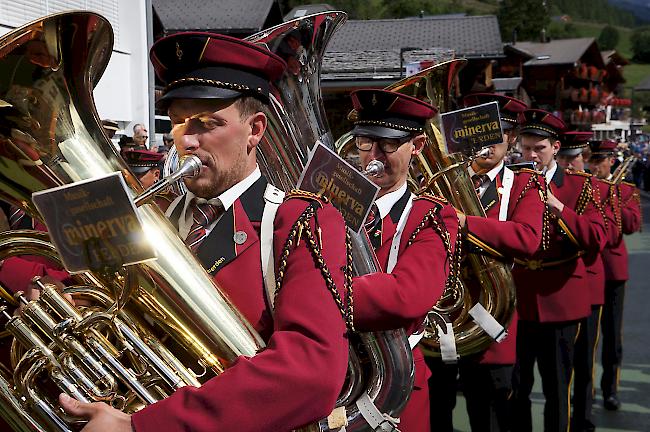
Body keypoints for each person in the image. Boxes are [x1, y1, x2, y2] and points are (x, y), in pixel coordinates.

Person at [59, 32, 352, 432]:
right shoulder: (153, 213)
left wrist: (143, 427)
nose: (188, 140)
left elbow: (312, 371)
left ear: (255, 130)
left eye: (207, 124)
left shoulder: (298, 221)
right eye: (179, 122)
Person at [427, 93, 546, 432]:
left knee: (490, 411)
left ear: (510, 138)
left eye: (494, 133)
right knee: (436, 408)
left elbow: (527, 238)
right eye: (475, 133)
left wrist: (465, 222)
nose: (483, 143)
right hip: (441, 313)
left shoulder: (525, 183)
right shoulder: (440, 181)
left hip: (491, 314)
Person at [345, 89, 460, 432]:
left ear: (418, 146)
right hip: (331, 377)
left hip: (393, 384)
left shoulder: (433, 216)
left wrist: (315, 293)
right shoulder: (331, 203)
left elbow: (406, 297)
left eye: (389, 145)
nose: (374, 156)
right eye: (366, 142)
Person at [511, 110, 607, 432]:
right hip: (519, 299)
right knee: (517, 388)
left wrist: (559, 208)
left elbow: (597, 238)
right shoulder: (509, 182)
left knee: (557, 389)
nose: (531, 155)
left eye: (538, 148)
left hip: (561, 300)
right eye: (525, 148)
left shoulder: (580, 187)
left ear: (555, 147)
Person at [556, 131, 617, 432]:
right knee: (560, 366)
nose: (569, 164)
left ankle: (584, 418)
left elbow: (607, 235)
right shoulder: (549, 185)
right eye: (564, 158)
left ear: (585, 160)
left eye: (574, 158)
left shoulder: (596, 189)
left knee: (584, 362)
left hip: (589, 285)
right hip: (559, 286)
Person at [589, 139, 642, 411]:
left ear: (611, 161)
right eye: (592, 161)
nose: (595, 166)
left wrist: (613, 201)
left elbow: (633, 225)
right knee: (586, 338)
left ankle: (610, 389)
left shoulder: (625, 189)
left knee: (611, 336)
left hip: (612, 271)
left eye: (600, 161)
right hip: (587, 269)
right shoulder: (584, 186)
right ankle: (587, 389)